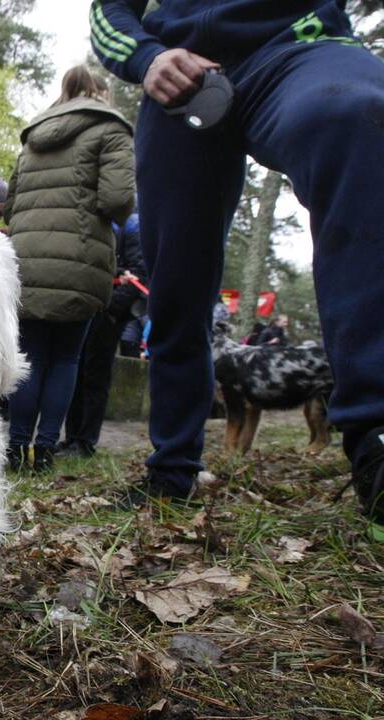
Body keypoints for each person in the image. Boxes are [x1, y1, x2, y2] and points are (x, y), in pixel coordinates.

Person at [91, 1, 384, 531]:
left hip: (303, 42)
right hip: (179, 73)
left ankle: (376, 440)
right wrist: (147, 56)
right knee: (174, 279)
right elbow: (109, 10)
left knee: (358, 117)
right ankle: (172, 469)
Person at [4, 65, 135, 474]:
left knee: (30, 355)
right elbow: (117, 200)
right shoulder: (111, 128)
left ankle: (15, 447)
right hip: (79, 259)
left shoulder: (33, 140)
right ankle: (44, 450)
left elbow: (10, 206)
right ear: (100, 92)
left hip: (26, 260)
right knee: (65, 359)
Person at [62, 212, 147, 458]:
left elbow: (137, 272)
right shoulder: (94, 217)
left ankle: (86, 441)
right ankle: (71, 437)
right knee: (77, 372)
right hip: (87, 305)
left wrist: (111, 310)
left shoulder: (132, 224)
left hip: (108, 311)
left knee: (95, 375)